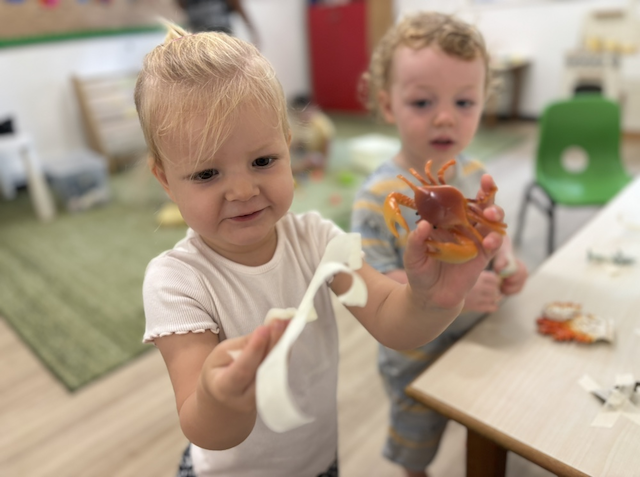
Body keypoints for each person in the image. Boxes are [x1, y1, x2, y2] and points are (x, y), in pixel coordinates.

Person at [134, 21, 505, 477]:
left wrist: (432, 300)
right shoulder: (176, 282)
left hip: (320, 462)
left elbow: (391, 319)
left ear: (288, 149)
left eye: (263, 161)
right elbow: (207, 429)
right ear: (165, 180)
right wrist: (219, 398)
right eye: (207, 174)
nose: (243, 190)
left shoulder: (316, 239)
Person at [351, 11, 528, 477]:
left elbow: (492, 237)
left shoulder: (475, 174)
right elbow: (371, 283)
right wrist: (445, 296)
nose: (446, 116)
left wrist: (508, 265)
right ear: (388, 105)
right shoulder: (376, 197)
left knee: (484, 428)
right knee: (417, 444)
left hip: (478, 340)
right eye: (423, 101)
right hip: (414, 354)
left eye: (464, 102)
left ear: (484, 102)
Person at [288, 94, 335, 175]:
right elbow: (296, 142)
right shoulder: (299, 123)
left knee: (313, 160)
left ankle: (295, 170)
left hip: (316, 154)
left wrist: (324, 163)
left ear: (311, 109)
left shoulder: (321, 123)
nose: (300, 117)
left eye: (302, 113)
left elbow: (327, 142)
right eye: (296, 114)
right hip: (304, 151)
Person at [176, 0, 259, 45]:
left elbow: (237, 5)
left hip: (221, 33)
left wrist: (252, 31)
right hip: (199, 35)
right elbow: (182, 6)